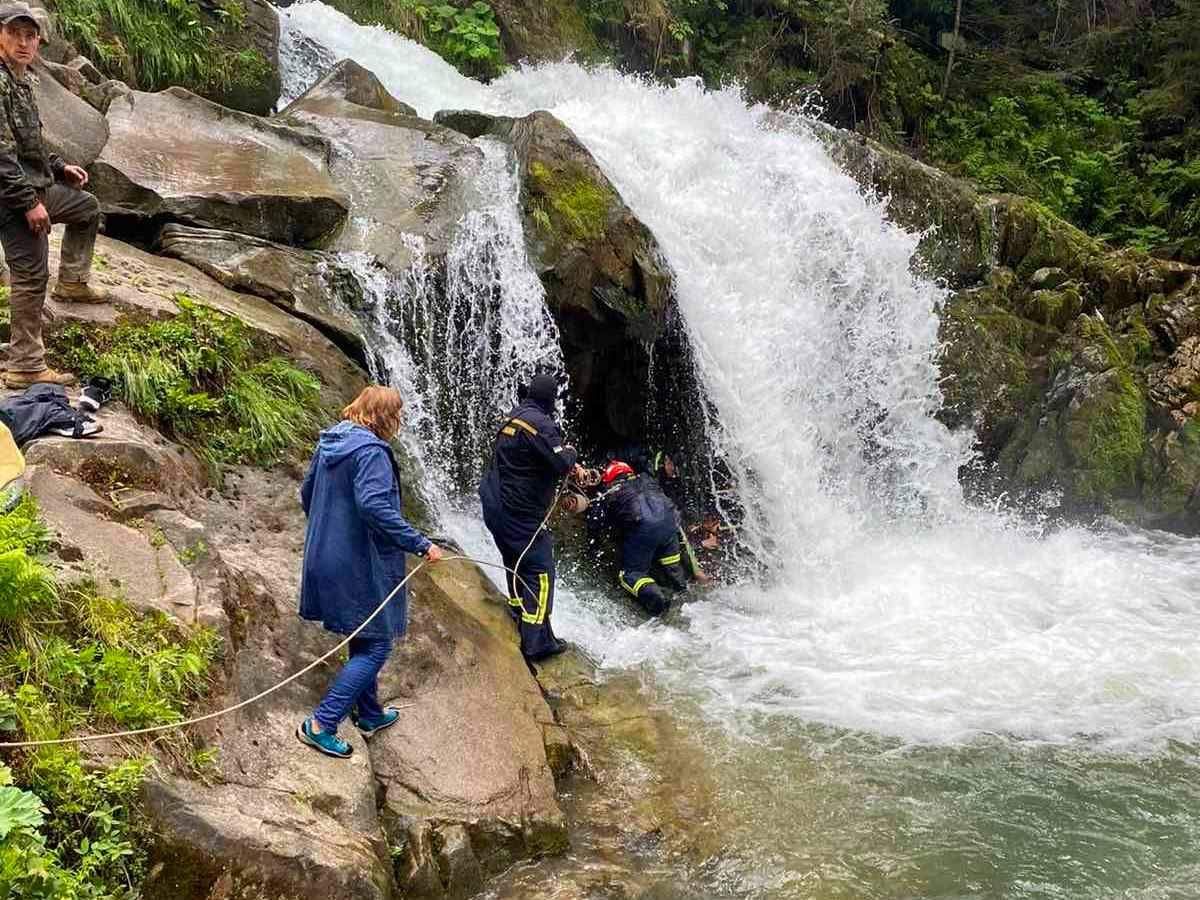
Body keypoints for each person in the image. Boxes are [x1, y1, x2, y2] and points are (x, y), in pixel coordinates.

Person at [296, 385, 445, 759]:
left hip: (324, 555)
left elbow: (306, 494)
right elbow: (375, 507)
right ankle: (322, 723)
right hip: (355, 562)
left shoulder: (331, 441)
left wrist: (330, 531)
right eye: (398, 415)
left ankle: (371, 713)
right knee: (377, 644)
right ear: (386, 417)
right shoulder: (372, 452)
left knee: (365, 632)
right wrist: (420, 543)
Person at [0, 2, 109, 389]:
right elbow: (1, 156)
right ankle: (25, 364)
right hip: (9, 198)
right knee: (30, 275)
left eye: (31, 36)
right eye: (15, 34)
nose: (24, 43)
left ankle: (74, 281)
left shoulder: (24, 80)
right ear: (0, 36)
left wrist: (60, 166)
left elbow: (30, 141)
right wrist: (29, 203)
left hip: (33, 184)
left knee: (87, 208)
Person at [480, 373, 580, 661]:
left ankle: (517, 609)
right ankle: (536, 641)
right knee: (540, 570)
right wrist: (571, 452)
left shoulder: (514, 417)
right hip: (518, 512)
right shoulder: (541, 424)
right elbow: (561, 462)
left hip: (494, 504)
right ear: (549, 399)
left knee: (515, 559)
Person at [584, 460, 690, 616]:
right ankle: (685, 593)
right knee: (672, 565)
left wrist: (593, 548)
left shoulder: (611, 490)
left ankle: (657, 601)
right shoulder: (648, 479)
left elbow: (595, 521)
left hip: (644, 530)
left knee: (631, 574)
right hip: (670, 523)